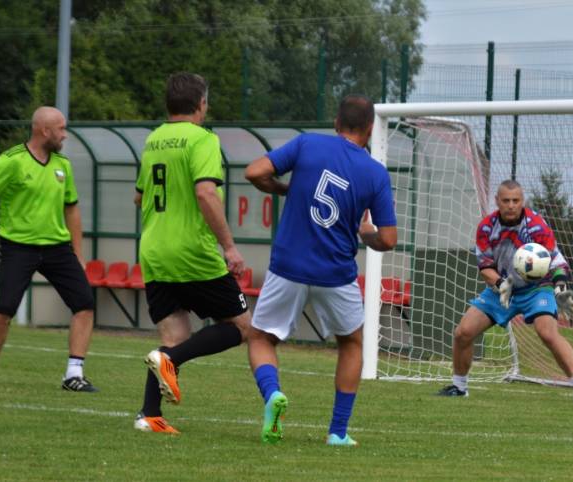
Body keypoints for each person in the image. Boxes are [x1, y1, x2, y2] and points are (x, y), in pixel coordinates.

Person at [244, 94, 397, 446]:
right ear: (370, 130)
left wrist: (284, 189)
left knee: (261, 338)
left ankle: (272, 394)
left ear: (336, 123)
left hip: (288, 266)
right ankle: (338, 432)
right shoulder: (375, 172)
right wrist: (366, 234)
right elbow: (389, 239)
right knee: (351, 344)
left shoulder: (307, 144)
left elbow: (254, 172)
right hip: (336, 272)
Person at [132, 72, 252, 434]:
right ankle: (169, 363)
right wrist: (229, 246)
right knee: (242, 327)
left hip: (154, 250)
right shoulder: (203, 139)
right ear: (201, 103)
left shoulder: (154, 139)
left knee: (174, 337)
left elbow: (139, 196)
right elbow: (205, 193)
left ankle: (149, 415)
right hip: (191, 252)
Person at [437, 180, 573, 403]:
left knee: (547, 333)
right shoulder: (486, 227)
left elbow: (556, 261)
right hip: (503, 288)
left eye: (515, 200)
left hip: (538, 289)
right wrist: (502, 284)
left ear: (522, 201)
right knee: (463, 332)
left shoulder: (537, 226)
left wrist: (560, 288)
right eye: (506, 200)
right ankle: (459, 387)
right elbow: (485, 267)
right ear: (497, 201)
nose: (511, 205)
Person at [0, 107, 98, 392]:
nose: (65, 135)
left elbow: (72, 209)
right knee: (5, 308)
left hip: (57, 249)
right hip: (18, 248)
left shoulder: (63, 165)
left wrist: (78, 253)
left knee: (84, 304)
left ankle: (74, 374)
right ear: (44, 131)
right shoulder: (11, 161)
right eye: (61, 129)